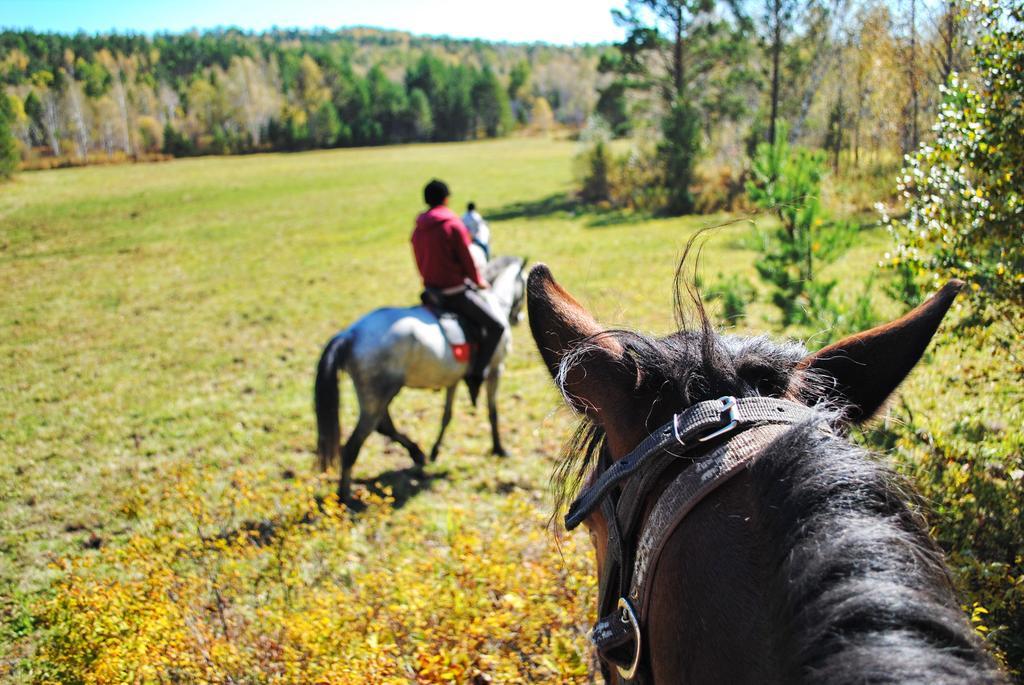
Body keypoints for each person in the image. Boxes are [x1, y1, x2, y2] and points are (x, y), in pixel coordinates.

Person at [411, 180, 506, 405]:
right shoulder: (452, 225)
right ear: (446, 198)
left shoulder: (418, 228)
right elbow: (466, 259)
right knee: (496, 327)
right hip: (454, 293)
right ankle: (476, 374)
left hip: (431, 292)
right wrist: (479, 281)